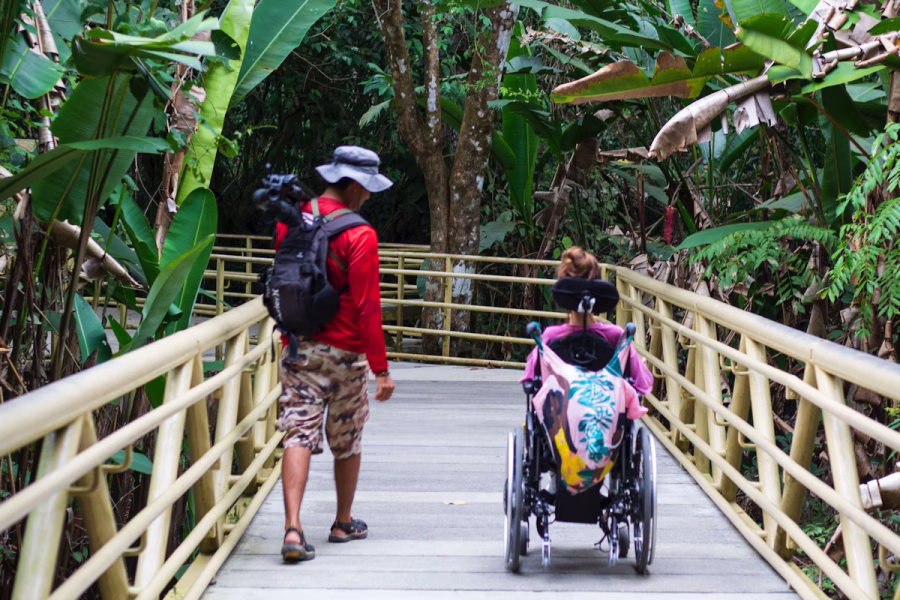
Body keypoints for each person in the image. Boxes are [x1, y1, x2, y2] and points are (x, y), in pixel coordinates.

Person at [275, 146, 396, 563]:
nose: (367, 198)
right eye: (366, 189)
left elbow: (283, 278)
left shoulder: (290, 218)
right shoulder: (360, 234)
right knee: (348, 436)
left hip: (298, 346)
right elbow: (367, 307)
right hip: (344, 352)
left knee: (298, 433)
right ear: (354, 185)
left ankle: (293, 529)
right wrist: (381, 370)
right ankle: (342, 522)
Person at [521, 246, 653, 395]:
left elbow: (530, 378)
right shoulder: (616, 336)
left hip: (560, 416)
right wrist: (635, 365)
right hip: (606, 415)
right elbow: (643, 385)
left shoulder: (551, 337)